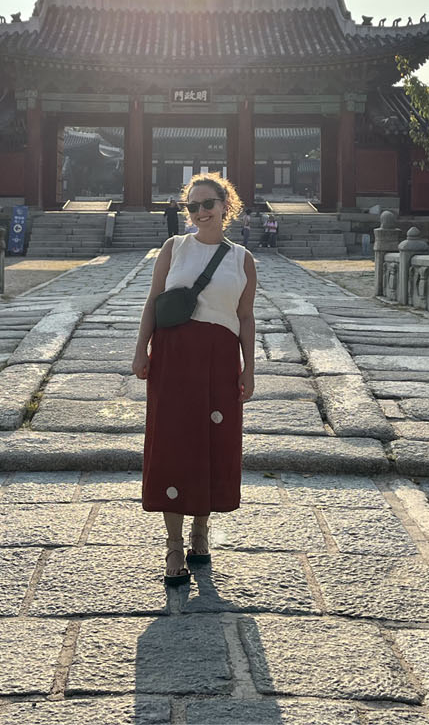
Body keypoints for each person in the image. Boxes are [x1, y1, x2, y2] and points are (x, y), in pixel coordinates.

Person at [133, 174, 256, 585]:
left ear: (226, 204)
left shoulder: (242, 259)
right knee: (173, 446)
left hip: (219, 362)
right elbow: (153, 300)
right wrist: (140, 349)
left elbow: (245, 317)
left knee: (210, 444)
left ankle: (200, 531)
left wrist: (249, 367)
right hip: (172, 358)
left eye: (208, 204)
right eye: (193, 206)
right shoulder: (173, 248)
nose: (201, 213)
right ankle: (172, 546)